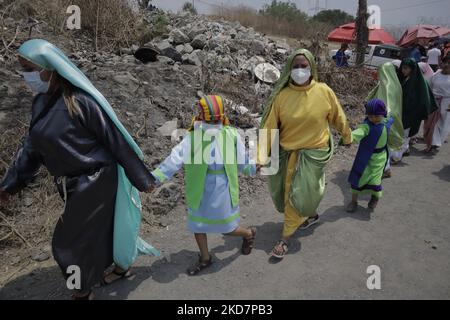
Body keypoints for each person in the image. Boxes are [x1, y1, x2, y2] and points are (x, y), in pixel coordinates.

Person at [0, 39, 159, 300]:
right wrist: (10, 184)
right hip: (69, 183)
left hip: (96, 180)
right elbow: (31, 148)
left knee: (67, 243)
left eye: (29, 68)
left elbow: (114, 140)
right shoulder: (39, 104)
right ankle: (120, 265)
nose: (25, 75)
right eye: (22, 69)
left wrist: (142, 178)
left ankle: (81, 290)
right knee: (98, 230)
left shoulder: (81, 102)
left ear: (48, 68)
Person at [259, 49, 352, 259]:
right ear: (288, 69)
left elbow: (338, 116)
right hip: (286, 153)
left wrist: (347, 136)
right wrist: (260, 156)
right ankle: (310, 213)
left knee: (296, 195)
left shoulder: (324, 91)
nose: (300, 70)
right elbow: (268, 128)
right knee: (284, 194)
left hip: (313, 155)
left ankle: (285, 239)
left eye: (304, 66)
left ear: (311, 68)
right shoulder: (281, 96)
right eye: (296, 66)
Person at [150, 95, 257, 275]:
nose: (211, 119)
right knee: (198, 225)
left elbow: (242, 161)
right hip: (198, 188)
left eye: (210, 115)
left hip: (222, 188)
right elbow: (174, 159)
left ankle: (247, 234)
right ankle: (205, 258)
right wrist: (154, 178)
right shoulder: (193, 137)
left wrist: (253, 168)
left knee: (227, 227)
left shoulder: (230, 135)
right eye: (209, 115)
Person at [345, 99, 393, 213]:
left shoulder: (386, 122)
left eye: (377, 116)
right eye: (370, 116)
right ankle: (353, 201)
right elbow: (358, 133)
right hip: (365, 157)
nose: (373, 119)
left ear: (383, 114)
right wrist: (348, 138)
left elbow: (392, 118)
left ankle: (375, 198)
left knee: (376, 181)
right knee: (357, 179)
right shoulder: (366, 127)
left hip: (380, 158)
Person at [391, 58, 438, 160]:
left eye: (406, 68)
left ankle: (397, 157)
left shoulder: (419, 82)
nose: (403, 71)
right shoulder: (403, 79)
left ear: (412, 69)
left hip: (411, 113)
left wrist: (416, 112)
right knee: (403, 133)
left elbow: (424, 99)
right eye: (402, 68)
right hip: (402, 111)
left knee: (404, 134)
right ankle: (405, 149)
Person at [366, 62, 403, 177]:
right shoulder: (394, 84)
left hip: (382, 120)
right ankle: (386, 169)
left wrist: (380, 119)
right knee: (384, 146)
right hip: (390, 119)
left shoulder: (387, 86)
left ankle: (383, 170)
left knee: (381, 147)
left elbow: (388, 107)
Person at [429, 54, 450, 151]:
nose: (446, 65)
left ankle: (438, 141)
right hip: (435, 101)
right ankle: (434, 143)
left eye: (449, 63)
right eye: (445, 62)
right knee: (434, 122)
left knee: (445, 124)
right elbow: (430, 87)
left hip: (447, 102)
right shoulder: (436, 74)